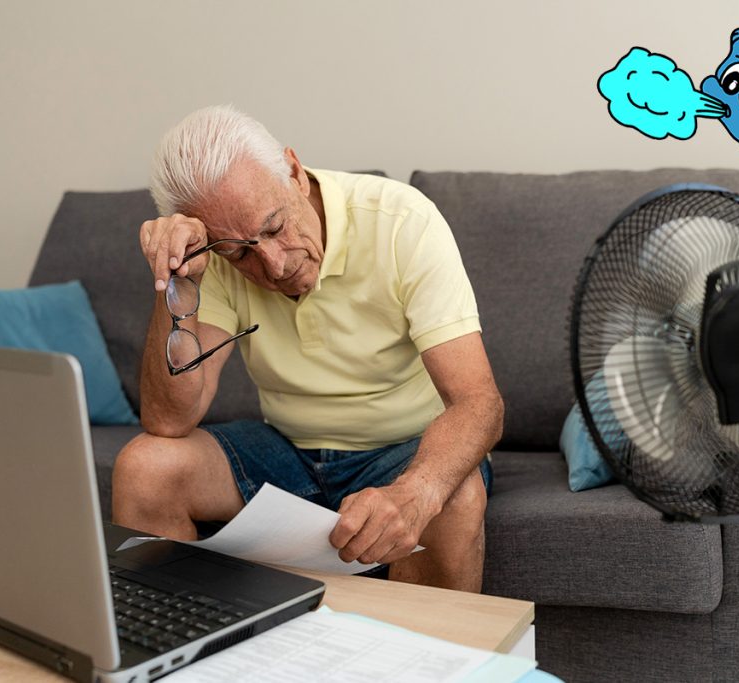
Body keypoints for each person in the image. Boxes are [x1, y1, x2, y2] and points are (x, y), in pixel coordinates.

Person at [112, 105, 503, 592]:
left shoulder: (402, 220)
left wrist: (415, 492)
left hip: (404, 449)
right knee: (145, 468)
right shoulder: (209, 257)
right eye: (239, 253)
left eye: (275, 228)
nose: (273, 266)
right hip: (289, 453)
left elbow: (478, 402)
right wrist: (177, 282)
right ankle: (176, 651)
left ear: (294, 172)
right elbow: (169, 421)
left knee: (456, 495)